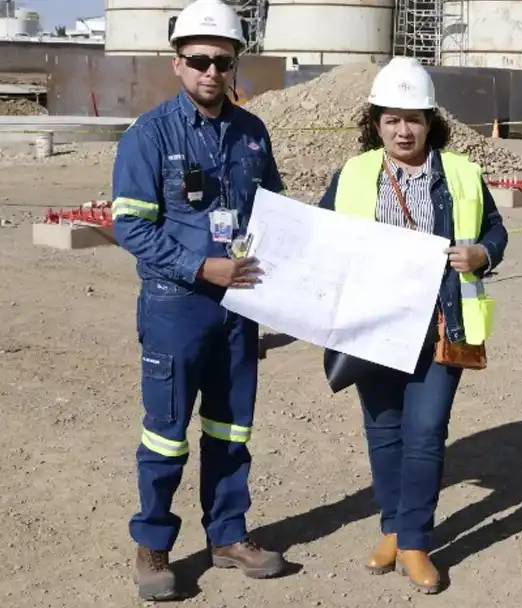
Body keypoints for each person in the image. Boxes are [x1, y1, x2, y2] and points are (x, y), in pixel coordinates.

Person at [110, 0, 287, 600]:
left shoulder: (252, 133)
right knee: (166, 433)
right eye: (198, 60)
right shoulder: (150, 135)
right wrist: (198, 266)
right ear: (177, 63)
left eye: (222, 60)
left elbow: (275, 215)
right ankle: (153, 544)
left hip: (238, 308)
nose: (211, 71)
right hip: (176, 305)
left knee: (231, 429)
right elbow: (130, 226)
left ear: (235, 63)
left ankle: (228, 534)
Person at [316, 56, 509, 595]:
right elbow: (322, 239)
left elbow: (496, 230)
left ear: (431, 122)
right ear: (376, 123)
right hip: (372, 325)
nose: (404, 130)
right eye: (392, 119)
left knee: (424, 435)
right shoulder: (353, 175)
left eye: (414, 119)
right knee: (384, 434)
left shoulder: (464, 175)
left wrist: (481, 254)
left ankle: (416, 540)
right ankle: (393, 528)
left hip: (440, 325)